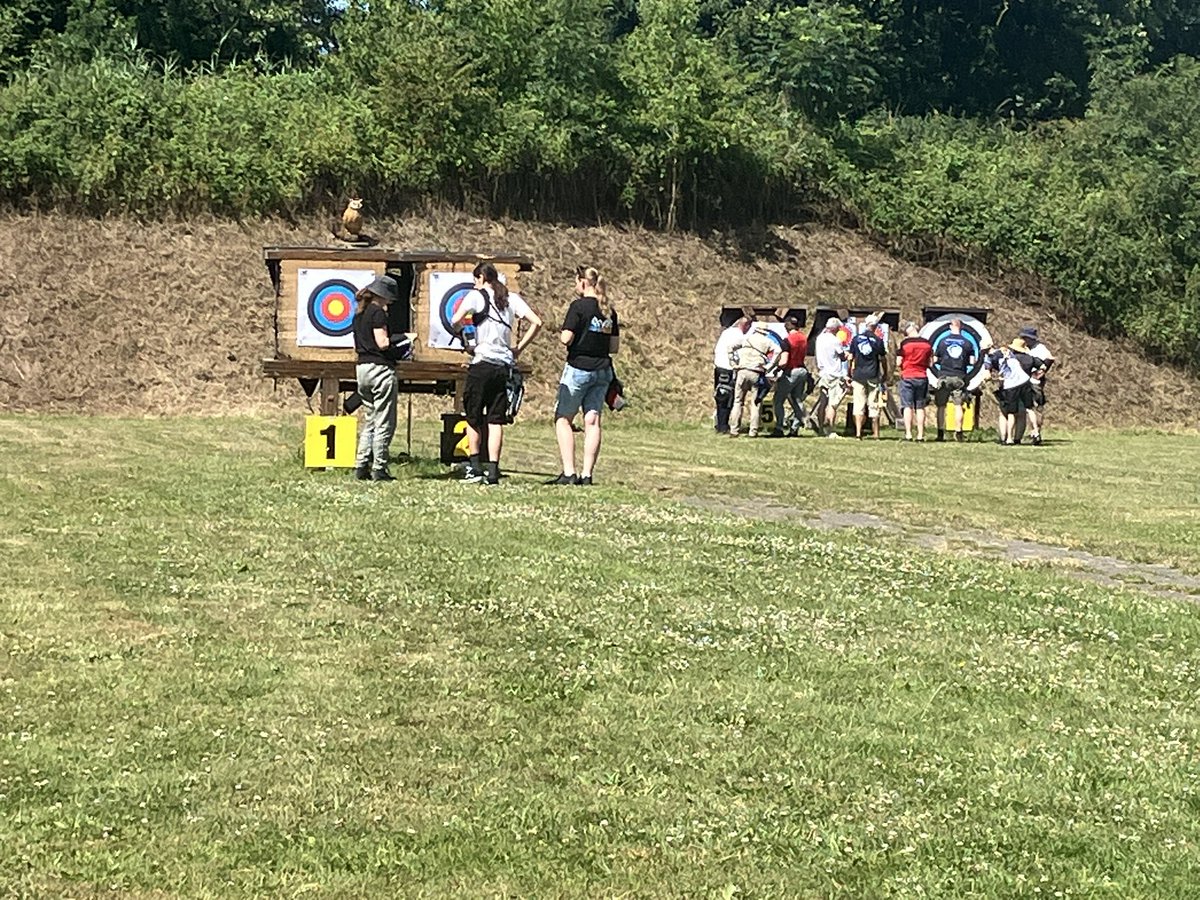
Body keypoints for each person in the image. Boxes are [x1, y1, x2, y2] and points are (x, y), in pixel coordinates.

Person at [451, 262, 542, 485]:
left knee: (473, 417)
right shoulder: (511, 298)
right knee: (495, 420)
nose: (475, 284)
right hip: (503, 366)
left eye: (476, 279)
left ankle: (474, 467)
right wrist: (518, 348)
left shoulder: (476, 295)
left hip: (482, 363)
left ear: (482, 277)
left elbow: (455, 320)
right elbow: (537, 322)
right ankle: (492, 471)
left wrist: (465, 337)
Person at [548, 265, 619, 485]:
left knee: (563, 419)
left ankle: (569, 473)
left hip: (579, 368)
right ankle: (587, 474)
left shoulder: (579, 307)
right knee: (592, 420)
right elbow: (614, 347)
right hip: (602, 370)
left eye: (575, 281)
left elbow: (565, 338)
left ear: (583, 282)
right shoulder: (608, 310)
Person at [353, 274, 407, 482]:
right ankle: (379, 468)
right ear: (384, 296)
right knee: (384, 421)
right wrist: (402, 346)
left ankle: (361, 465)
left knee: (370, 420)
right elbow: (382, 343)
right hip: (380, 370)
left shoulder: (359, 313)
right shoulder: (378, 313)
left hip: (362, 369)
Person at [985, 336, 1045, 445]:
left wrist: (991, 377)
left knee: (1010, 412)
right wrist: (1037, 375)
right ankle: (1036, 432)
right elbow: (1043, 365)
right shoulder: (1017, 355)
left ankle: (1008, 439)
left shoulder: (991, 356)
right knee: (1029, 409)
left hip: (1011, 385)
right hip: (1025, 381)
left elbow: (988, 375)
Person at [728, 321, 778, 437]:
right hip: (756, 372)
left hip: (742, 370)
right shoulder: (768, 341)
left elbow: (730, 347)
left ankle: (734, 430)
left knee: (738, 401)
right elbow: (778, 351)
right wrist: (769, 366)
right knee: (756, 403)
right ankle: (753, 431)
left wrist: (733, 362)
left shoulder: (747, 339)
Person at [932, 318, 975, 442]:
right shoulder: (967, 343)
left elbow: (934, 360)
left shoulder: (942, 341)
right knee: (958, 405)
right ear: (961, 327)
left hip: (944, 376)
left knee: (941, 406)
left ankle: (940, 433)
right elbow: (972, 362)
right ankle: (958, 432)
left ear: (951, 326)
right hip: (959, 376)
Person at [809, 316, 850, 438]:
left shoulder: (820, 338)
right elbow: (842, 357)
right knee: (833, 404)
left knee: (823, 401)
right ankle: (831, 429)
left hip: (823, 373)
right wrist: (847, 355)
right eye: (838, 329)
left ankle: (821, 428)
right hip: (834, 374)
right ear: (835, 329)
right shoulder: (835, 340)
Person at [770, 316, 811, 437]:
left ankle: (779, 427)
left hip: (791, 372)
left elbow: (784, 361)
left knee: (778, 400)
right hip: (802, 370)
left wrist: (776, 369)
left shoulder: (787, 340)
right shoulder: (803, 338)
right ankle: (795, 428)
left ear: (787, 325)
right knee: (797, 400)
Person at [849, 314, 888, 439]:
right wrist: (885, 372)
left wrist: (850, 370)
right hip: (873, 375)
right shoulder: (878, 340)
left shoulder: (855, 339)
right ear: (876, 326)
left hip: (858, 376)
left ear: (866, 325)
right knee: (874, 404)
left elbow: (851, 357)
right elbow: (883, 359)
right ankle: (876, 433)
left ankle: (858, 433)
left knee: (858, 404)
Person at [895, 321, 934, 441]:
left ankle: (908, 434)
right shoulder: (927, 344)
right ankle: (920, 435)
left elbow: (898, 362)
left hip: (908, 376)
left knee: (907, 406)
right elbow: (931, 363)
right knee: (920, 407)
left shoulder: (905, 343)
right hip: (922, 376)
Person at [713, 317, 750, 434]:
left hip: (719, 367)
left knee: (721, 397)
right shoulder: (740, 336)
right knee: (729, 398)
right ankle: (724, 426)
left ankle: (720, 424)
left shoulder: (726, 332)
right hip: (730, 369)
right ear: (745, 326)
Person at [1020, 326, 1055, 445]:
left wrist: (1042, 372)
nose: (1024, 339)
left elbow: (1050, 359)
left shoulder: (1040, 348)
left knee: (1036, 406)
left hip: (1035, 380)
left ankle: (1036, 431)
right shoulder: (1024, 347)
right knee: (1028, 407)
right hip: (1024, 379)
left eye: (1026, 337)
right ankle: (1032, 432)